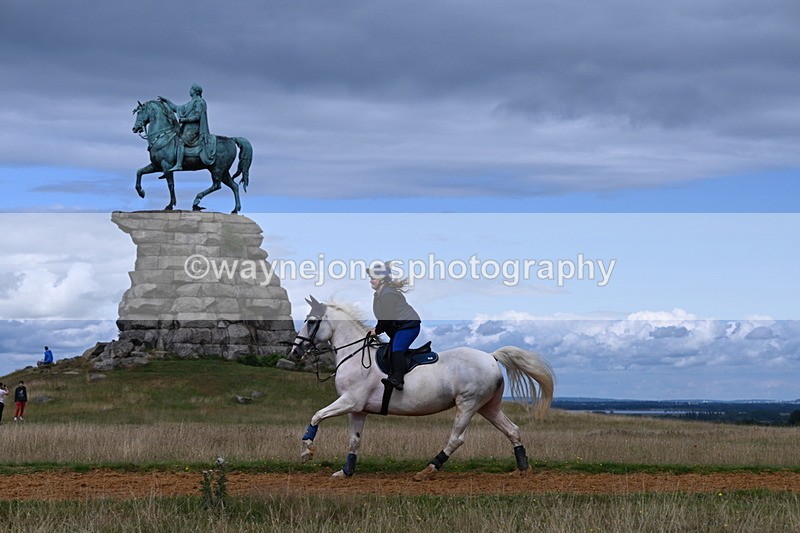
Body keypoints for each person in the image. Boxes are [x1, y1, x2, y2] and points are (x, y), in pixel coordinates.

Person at [367, 262, 421, 391]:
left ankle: (398, 380)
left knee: (396, 349)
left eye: (373, 278)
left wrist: (377, 330)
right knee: (389, 351)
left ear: (381, 280)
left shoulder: (388, 295)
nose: (370, 282)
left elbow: (387, 318)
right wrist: (377, 328)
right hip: (400, 328)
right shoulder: (380, 294)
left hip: (409, 326)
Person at [158, 83, 217, 171]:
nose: (189, 91)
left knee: (180, 141)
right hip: (187, 128)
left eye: (191, 89)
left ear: (196, 91)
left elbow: (198, 117)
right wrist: (167, 101)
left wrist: (184, 120)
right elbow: (176, 108)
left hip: (194, 129)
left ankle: (179, 164)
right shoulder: (190, 103)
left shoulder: (199, 102)